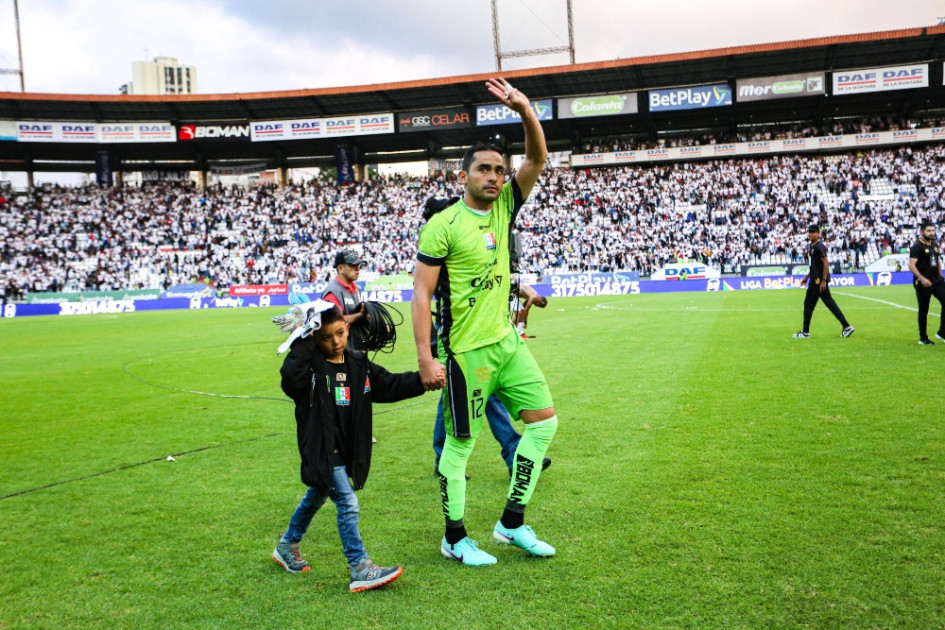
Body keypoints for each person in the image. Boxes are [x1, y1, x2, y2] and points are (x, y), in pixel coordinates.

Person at [412, 77, 558, 567]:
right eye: (484, 170)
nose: (495, 177)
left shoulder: (505, 211)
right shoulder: (444, 224)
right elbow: (422, 293)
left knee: (543, 424)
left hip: (508, 345)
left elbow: (536, 159)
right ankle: (454, 537)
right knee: (461, 446)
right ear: (465, 176)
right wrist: (426, 358)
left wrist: (524, 108)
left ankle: (511, 523)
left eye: (499, 170)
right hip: (466, 352)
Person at [273, 302, 433, 591]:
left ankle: (287, 545)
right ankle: (360, 566)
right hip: (321, 448)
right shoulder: (308, 368)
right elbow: (289, 377)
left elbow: (388, 384)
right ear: (314, 339)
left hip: (346, 446)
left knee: (318, 493)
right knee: (347, 502)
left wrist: (423, 380)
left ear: (347, 329)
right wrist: (301, 339)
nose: (335, 342)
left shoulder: (358, 362)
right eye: (325, 337)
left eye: (339, 333)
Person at [792, 224, 855, 339]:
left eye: (813, 232)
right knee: (830, 303)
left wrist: (823, 281)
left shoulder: (819, 246)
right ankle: (846, 326)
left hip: (818, 282)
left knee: (808, 305)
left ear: (818, 233)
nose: (810, 234)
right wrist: (807, 277)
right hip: (815, 279)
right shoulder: (812, 245)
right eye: (809, 232)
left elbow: (826, 263)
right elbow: (815, 266)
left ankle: (805, 332)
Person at [907, 221, 945, 345]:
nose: (931, 233)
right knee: (924, 310)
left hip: (936, 281)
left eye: (933, 231)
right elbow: (911, 265)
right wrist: (922, 279)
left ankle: (942, 332)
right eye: (928, 231)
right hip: (923, 282)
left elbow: (937, 260)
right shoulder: (917, 247)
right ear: (922, 232)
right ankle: (923, 338)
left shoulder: (934, 244)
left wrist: (940, 274)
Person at [323, 249, 369, 347]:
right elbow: (334, 322)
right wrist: (360, 315)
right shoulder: (333, 292)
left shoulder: (356, 290)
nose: (357, 269)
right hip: (340, 353)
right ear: (340, 268)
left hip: (356, 350)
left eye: (358, 265)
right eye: (353, 266)